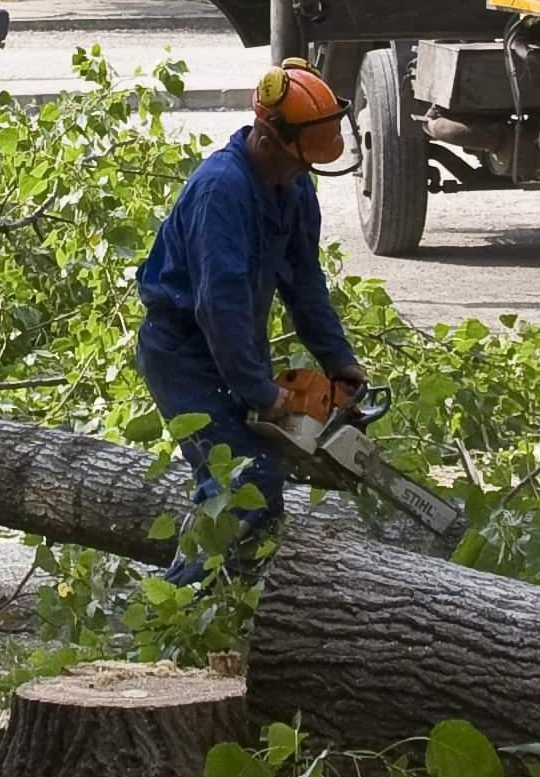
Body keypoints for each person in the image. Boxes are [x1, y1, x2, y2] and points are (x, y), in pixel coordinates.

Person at [133, 60, 366, 579]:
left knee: (259, 483)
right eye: (297, 161)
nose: (304, 171)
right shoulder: (222, 191)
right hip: (183, 354)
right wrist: (259, 391)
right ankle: (176, 613)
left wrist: (338, 359)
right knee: (242, 483)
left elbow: (305, 282)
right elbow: (221, 304)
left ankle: (228, 605)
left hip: (235, 345)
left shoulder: (294, 186)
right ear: (266, 139)